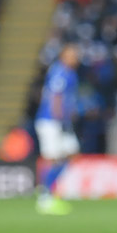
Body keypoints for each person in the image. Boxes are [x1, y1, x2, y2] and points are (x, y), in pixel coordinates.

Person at [34, 43, 80, 215]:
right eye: (73, 54)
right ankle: (45, 197)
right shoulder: (60, 72)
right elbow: (56, 97)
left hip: (62, 122)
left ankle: (47, 189)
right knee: (52, 158)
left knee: (71, 153)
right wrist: (60, 119)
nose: (76, 58)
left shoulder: (70, 73)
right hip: (51, 121)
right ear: (64, 55)